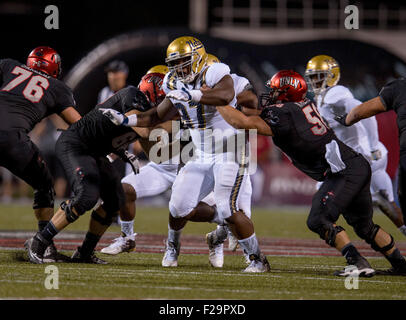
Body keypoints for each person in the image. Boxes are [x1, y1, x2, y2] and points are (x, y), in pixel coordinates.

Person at [100, 36, 270, 273]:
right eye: (175, 63)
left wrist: (194, 95)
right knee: (178, 207)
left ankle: (257, 259)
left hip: (228, 151)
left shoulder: (214, 71)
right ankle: (172, 245)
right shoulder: (172, 81)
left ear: (198, 58)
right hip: (200, 154)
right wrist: (125, 119)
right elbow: (155, 116)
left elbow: (224, 94)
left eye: (184, 62)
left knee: (228, 208)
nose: (179, 69)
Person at [214, 69, 406, 277]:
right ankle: (401, 264)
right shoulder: (299, 107)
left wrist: (216, 102)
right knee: (364, 226)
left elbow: (241, 122)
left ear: (287, 93)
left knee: (318, 219)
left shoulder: (284, 112)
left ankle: (357, 262)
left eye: (276, 91)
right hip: (354, 166)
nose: (271, 95)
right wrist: (235, 106)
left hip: (343, 171)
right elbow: (258, 114)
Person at [24, 82, 156, 264]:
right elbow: (144, 130)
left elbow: (124, 135)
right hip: (77, 145)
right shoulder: (133, 95)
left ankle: (85, 252)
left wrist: (122, 151)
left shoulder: (149, 111)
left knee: (115, 200)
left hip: (95, 149)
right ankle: (39, 242)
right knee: (87, 195)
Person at [305, 55, 406, 236]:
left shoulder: (335, 93)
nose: (313, 81)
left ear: (331, 75)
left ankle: (346, 238)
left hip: (363, 155)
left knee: (326, 194)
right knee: (387, 204)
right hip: (358, 156)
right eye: (311, 77)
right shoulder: (322, 99)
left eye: (317, 76)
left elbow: (360, 108)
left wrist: (373, 145)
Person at [0, 46, 81, 262]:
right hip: (12, 140)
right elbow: (80, 124)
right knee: (44, 185)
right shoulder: (57, 87)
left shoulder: (9, 65)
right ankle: (44, 244)